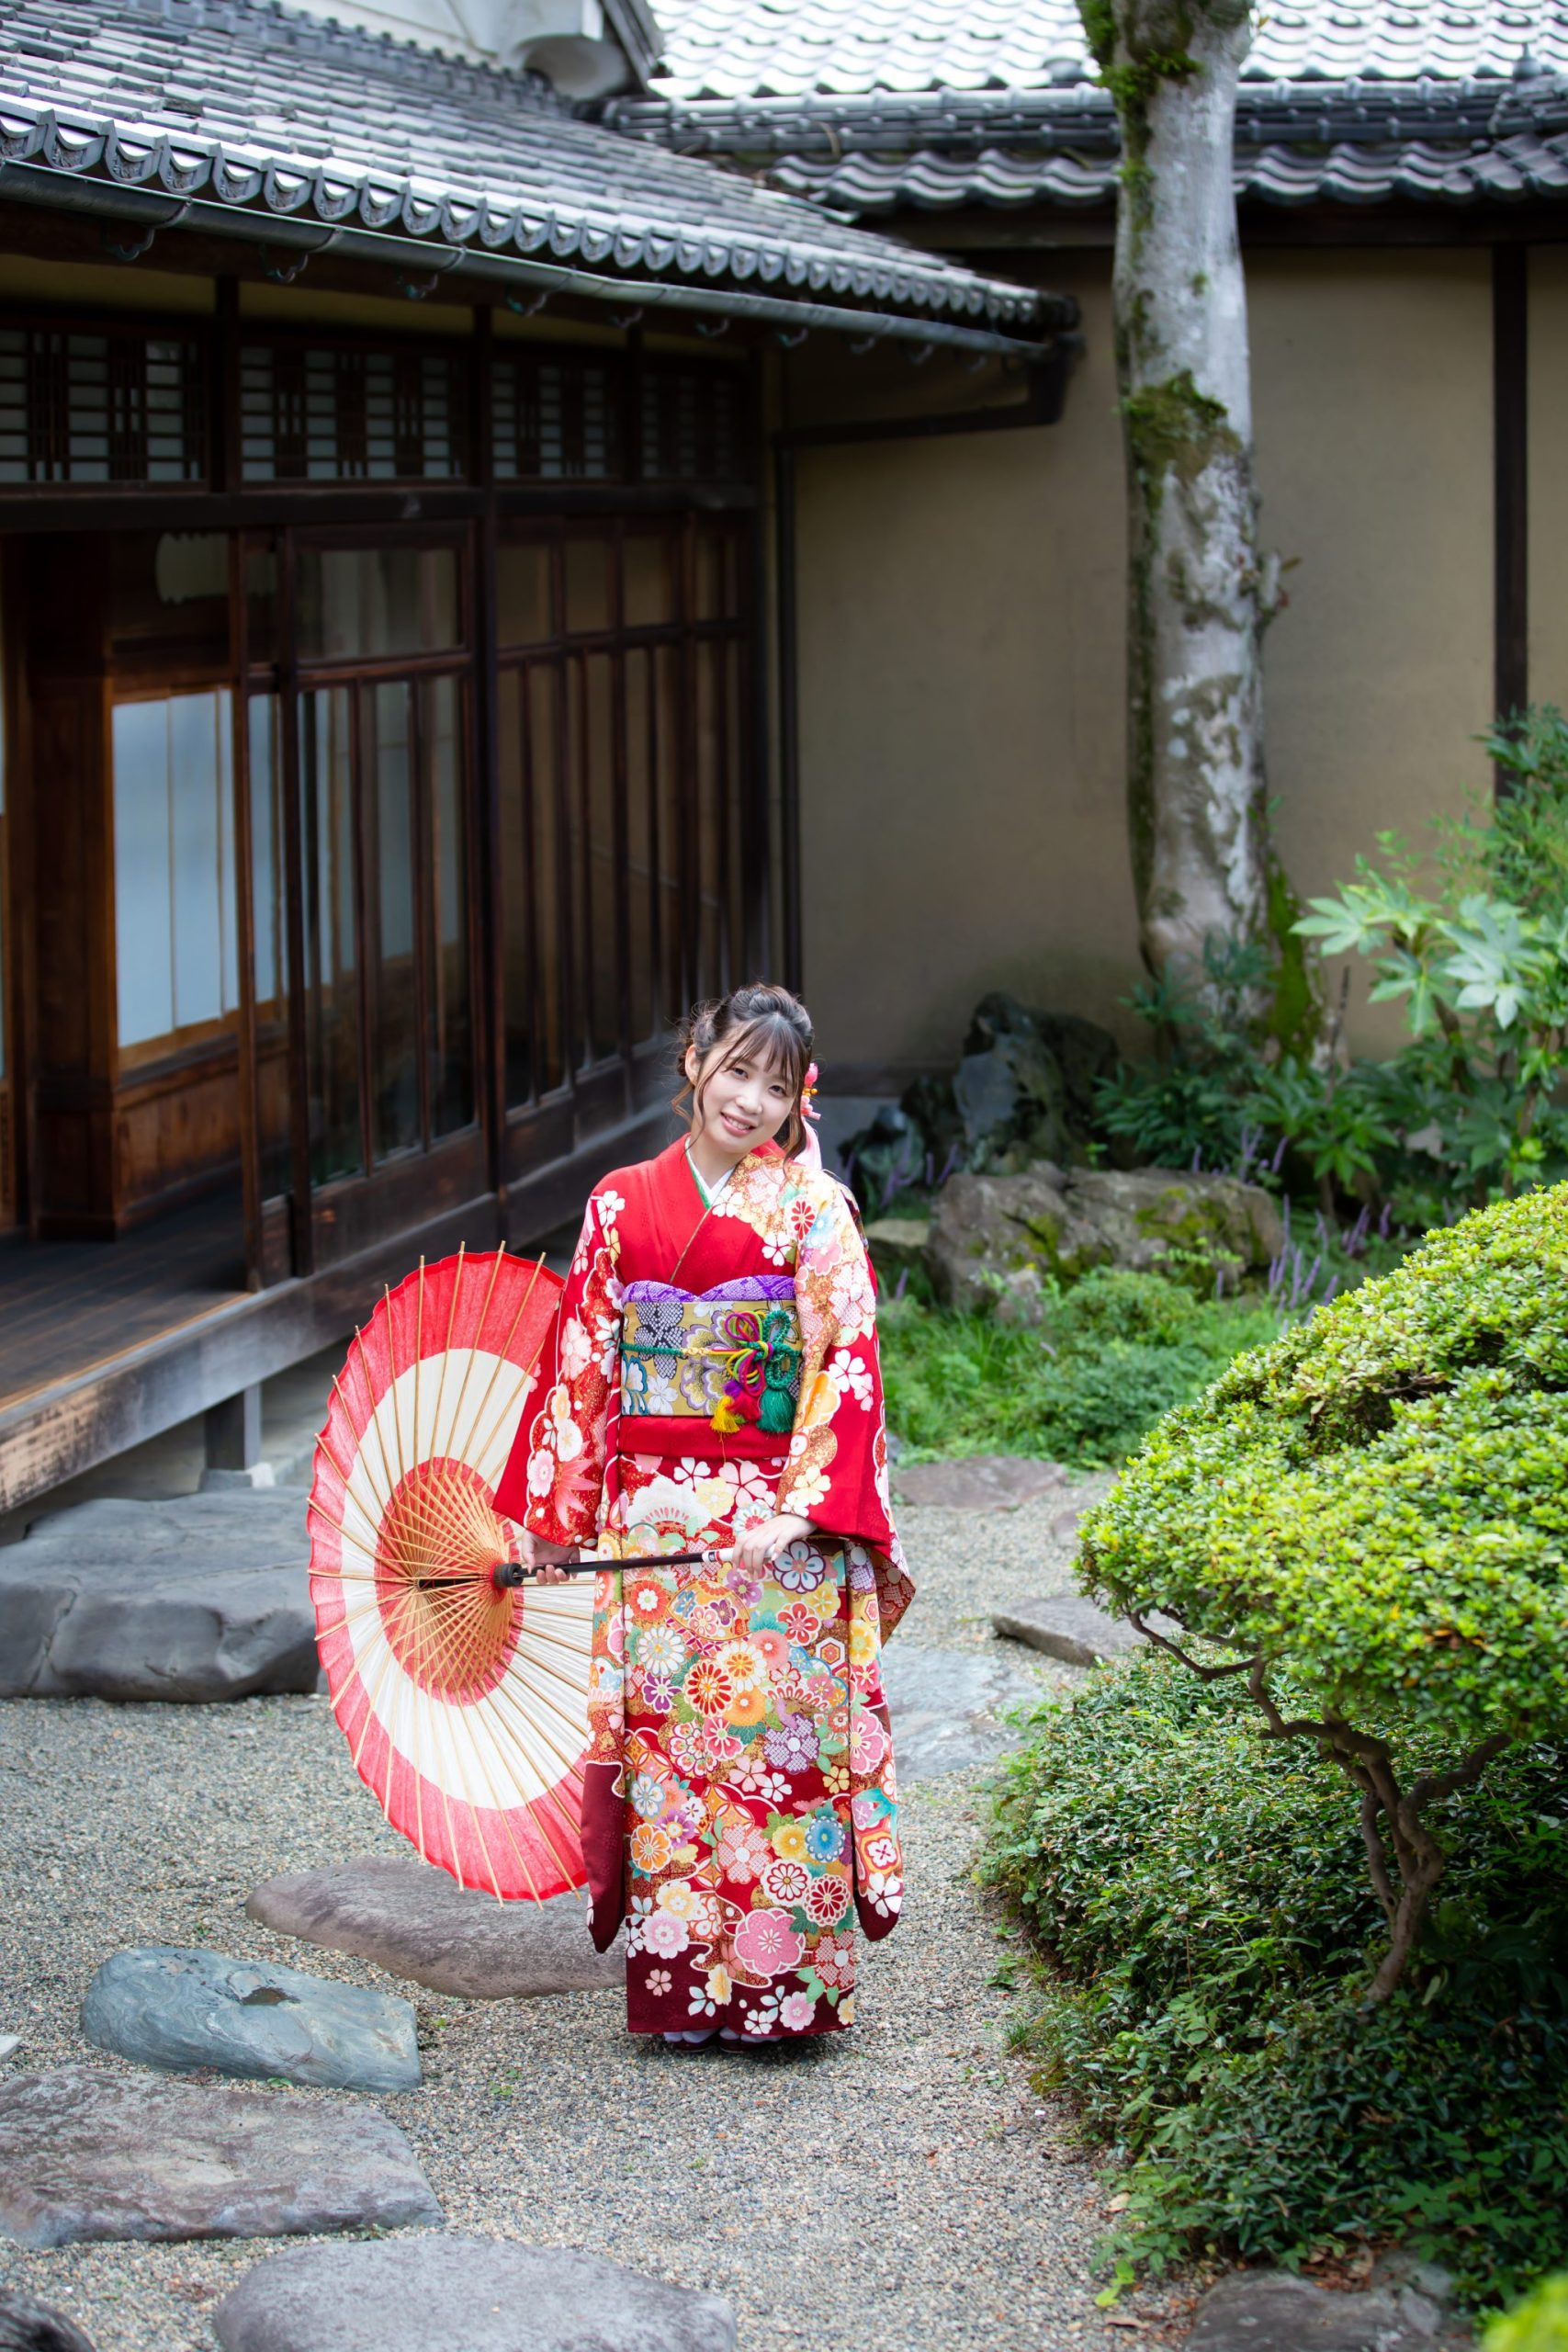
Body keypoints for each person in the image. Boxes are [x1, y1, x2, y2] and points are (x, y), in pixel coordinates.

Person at [494, 981, 913, 2047]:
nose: (749, 1101)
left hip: (773, 1525)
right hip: (652, 1528)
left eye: (775, 1086)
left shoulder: (816, 1212)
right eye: (735, 1070)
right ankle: (684, 1993)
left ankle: (789, 1995)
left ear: (795, 1101)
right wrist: (558, 1517)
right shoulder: (620, 1203)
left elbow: (846, 1361)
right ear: (693, 1061)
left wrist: (809, 1505)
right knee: (675, 1767)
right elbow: (583, 1366)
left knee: (778, 1759)